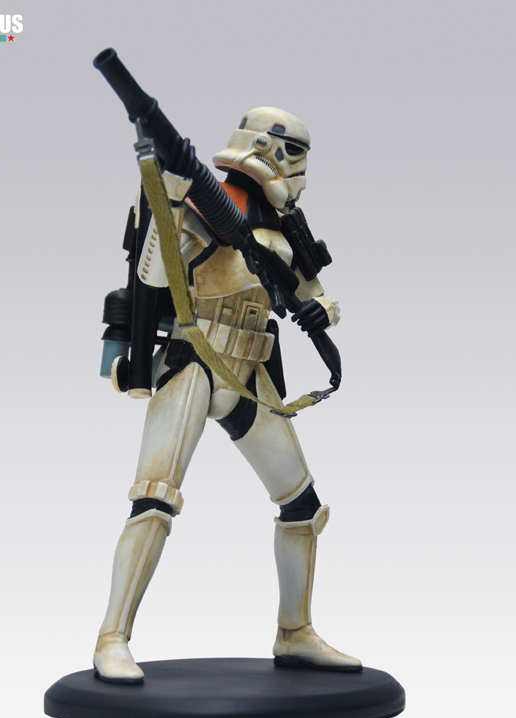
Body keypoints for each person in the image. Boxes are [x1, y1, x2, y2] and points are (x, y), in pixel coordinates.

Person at [93, 107, 362, 683]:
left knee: (303, 508)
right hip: (196, 358)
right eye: (291, 153)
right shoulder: (204, 203)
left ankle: (295, 632)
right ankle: (111, 638)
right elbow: (154, 276)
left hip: (250, 371)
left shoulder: (286, 223)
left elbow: (316, 292)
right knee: (154, 499)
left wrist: (322, 309)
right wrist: (166, 202)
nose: (295, 167)